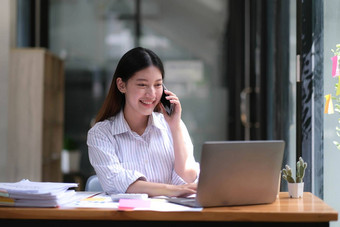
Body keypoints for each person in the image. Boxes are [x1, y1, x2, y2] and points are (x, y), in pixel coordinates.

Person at [87, 47, 199, 197]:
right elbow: (115, 180)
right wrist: (171, 190)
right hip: (127, 218)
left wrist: (175, 127)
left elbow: (187, 178)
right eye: (142, 85)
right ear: (121, 85)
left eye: (158, 84)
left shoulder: (173, 125)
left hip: (172, 217)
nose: (151, 94)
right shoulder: (101, 133)